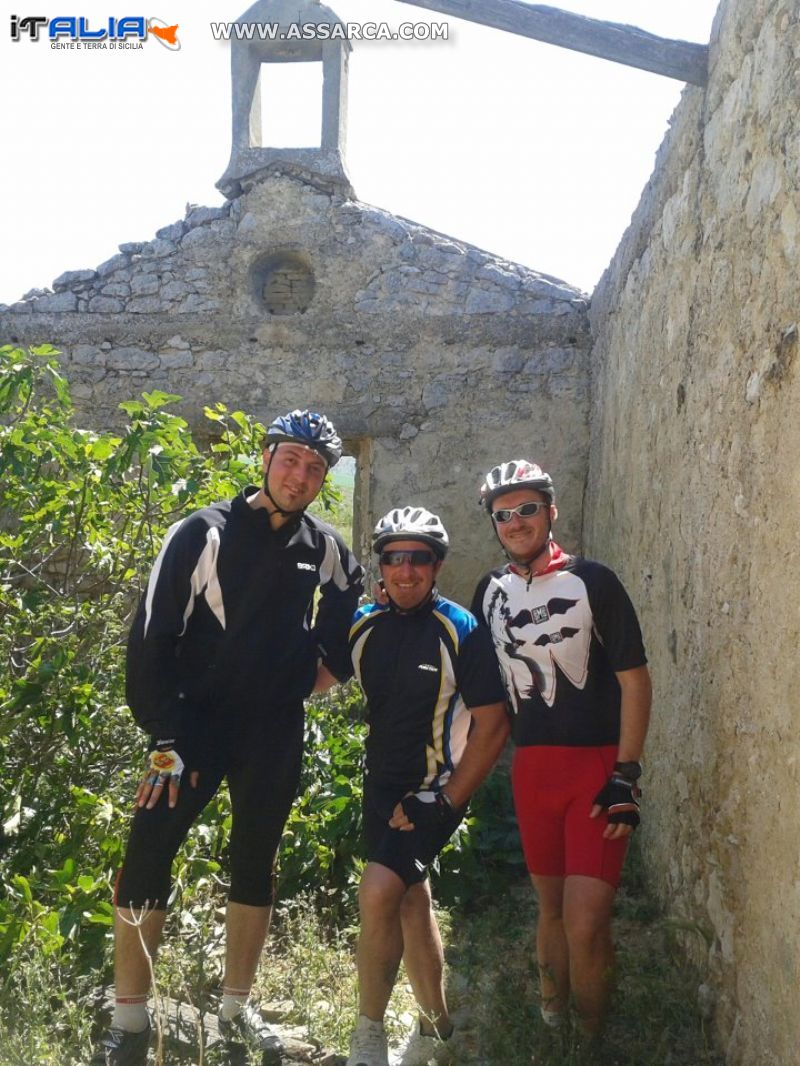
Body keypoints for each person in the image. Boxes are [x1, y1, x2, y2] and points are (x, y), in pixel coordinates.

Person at [92, 410, 364, 1066]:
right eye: (291, 459)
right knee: (149, 848)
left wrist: (313, 677)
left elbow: (349, 609)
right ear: (266, 458)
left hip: (272, 726)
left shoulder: (324, 547)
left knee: (256, 858)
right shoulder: (200, 533)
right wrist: (163, 740)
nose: (300, 475)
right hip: (188, 726)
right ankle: (130, 1024)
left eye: (315, 468)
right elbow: (150, 643)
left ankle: (238, 1012)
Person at [471, 461, 652, 1048]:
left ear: (550, 511)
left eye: (527, 508)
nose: (516, 521)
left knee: (587, 923)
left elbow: (635, 680)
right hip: (533, 773)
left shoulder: (595, 580)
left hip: (596, 771)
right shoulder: (489, 591)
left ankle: (592, 1042)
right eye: (504, 514)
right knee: (549, 910)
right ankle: (554, 1022)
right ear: (494, 525)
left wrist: (627, 774)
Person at [343, 506, 509, 1066]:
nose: (406, 570)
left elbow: (494, 725)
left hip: (434, 792)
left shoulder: (460, 630)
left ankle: (367, 1036)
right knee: (412, 901)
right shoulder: (364, 625)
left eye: (418, 559)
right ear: (381, 566)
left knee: (378, 891)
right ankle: (438, 1032)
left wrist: (445, 802)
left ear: (437, 566)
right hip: (380, 785)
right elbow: (315, 672)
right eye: (394, 558)